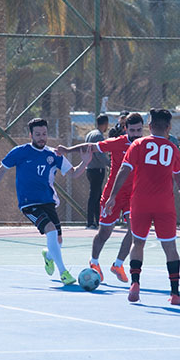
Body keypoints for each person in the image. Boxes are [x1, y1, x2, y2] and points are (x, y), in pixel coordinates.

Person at [0, 117, 91, 286]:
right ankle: (64, 273)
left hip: (48, 201)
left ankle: (48, 255)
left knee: (58, 241)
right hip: (29, 203)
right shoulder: (20, 152)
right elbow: (1, 170)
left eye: (44, 134)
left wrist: (85, 162)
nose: (41, 137)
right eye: (38, 134)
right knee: (51, 230)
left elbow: (74, 173)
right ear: (31, 135)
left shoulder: (53, 154)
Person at [104, 108, 180, 306]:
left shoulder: (138, 144)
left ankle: (135, 283)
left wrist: (112, 196)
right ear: (168, 128)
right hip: (164, 204)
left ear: (149, 126)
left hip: (140, 202)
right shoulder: (172, 148)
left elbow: (124, 170)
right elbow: (178, 174)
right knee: (170, 246)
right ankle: (175, 293)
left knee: (138, 243)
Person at [58, 113, 144, 284]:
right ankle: (94, 261)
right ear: (125, 129)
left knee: (134, 231)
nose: (136, 134)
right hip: (113, 194)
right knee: (104, 232)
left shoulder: (145, 145)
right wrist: (67, 150)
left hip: (133, 196)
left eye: (139, 130)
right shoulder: (118, 143)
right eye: (132, 130)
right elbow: (90, 146)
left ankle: (118, 265)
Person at [84, 114, 110, 228]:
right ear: (105, 124)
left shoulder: (90, 134)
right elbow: (100, 154)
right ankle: (90, 222)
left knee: (97, 195)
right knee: (94, 196)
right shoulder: (99, 136)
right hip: (97, 169)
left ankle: (97, 220)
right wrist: (109, 163)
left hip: (90, 168)